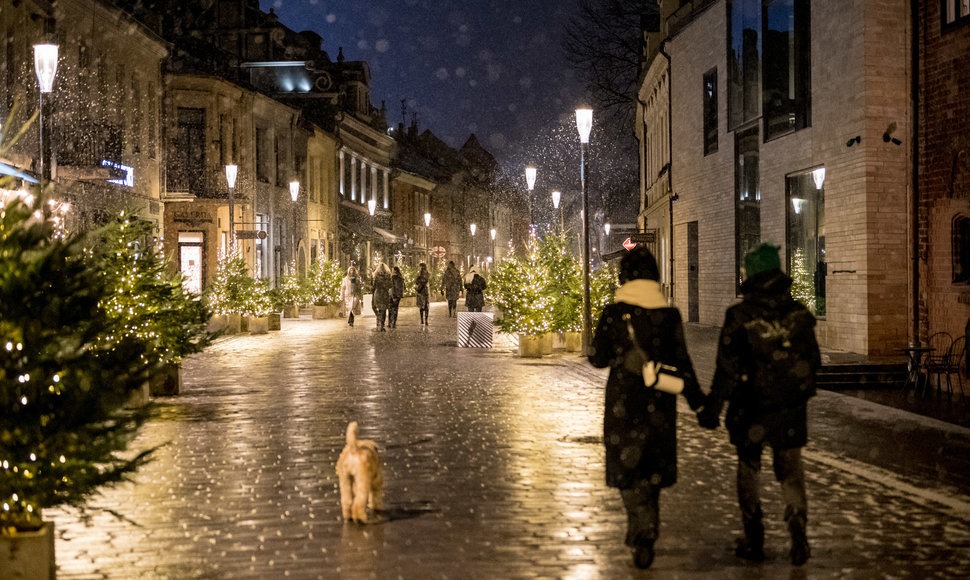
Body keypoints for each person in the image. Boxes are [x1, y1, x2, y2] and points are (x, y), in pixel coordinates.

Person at [697, 243, 820, 566]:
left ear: (751, 275)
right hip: (790, 408)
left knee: (749, 469)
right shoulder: (799, 314)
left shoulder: (739, 316)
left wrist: (712, 409)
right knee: (791, 472)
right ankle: (798, 530)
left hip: (750, 407)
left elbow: (726, 369)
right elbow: (814, 362)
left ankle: (754, 536)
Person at [587, 246, 707, 569]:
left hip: (623, 405)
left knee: (626, 470)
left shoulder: (613, 314)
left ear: (623, 276)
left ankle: (638, 522)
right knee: (652, 467)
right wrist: (700, 405)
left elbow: (597, 359)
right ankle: (648, 523)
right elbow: (682, 363)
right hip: (659, 405)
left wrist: (612, 354)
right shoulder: (668, 315)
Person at [371, 263, 392, 331]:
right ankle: (382, 324)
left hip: (378, 293)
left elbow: (373, 286)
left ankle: (379, 320)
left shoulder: (376, 276)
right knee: (383, 310)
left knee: (376, 307)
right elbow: (390, 285)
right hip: (385, 294)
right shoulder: (388, 276)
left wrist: (372, 290)